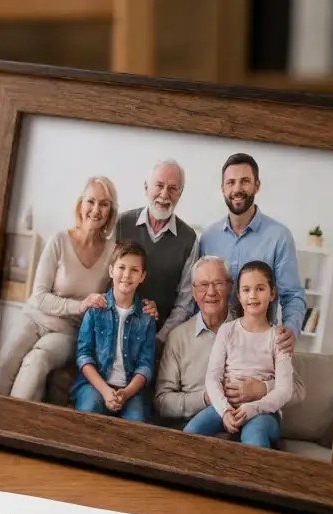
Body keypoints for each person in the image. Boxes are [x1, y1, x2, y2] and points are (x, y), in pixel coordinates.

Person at [0, 176, 119, 399]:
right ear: (80, 204)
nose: (96, 210)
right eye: (91, 201)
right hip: (35, 317)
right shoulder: (58, 240)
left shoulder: (111, 253)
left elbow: (113, 298)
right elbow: (38, 297)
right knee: (4, 363)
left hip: (67, 332)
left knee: (36, 360)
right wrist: (80, 305)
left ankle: (12, 422)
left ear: (110, 212)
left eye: (104, 204)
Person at [154, 256, 305, 428]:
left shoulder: (253, 328)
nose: (211, 292)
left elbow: (297, 390)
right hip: (199, 424)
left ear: (231, 289)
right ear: (194, 292)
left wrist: (262, 388)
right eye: (203, 285)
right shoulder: (177, 337)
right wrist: (206, 398)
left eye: (218, 283)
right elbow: (162, 402)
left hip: (251, 419)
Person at [174, 153, 302, 351]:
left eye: (245, 182)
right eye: (231, 182)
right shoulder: (208, 235)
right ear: (223, 188)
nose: (237, 189)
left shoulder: (279, 236)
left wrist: (290, 330)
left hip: (256, 344)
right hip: (211, 342)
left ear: (257, 185)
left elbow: (292, 295)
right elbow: (198, 289)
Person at [183, 260, 295, 449]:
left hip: (264, 412)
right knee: (189, 433)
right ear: (238, 295)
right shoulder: (227, 331)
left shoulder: (279, 337)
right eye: (246, 290)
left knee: (254, 435)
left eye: (260, 289)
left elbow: (285, 390)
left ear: (272, 293)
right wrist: (225, 410)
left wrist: (252, 408)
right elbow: (213, 377)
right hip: (226, 407)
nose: (252, 296)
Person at [113, 159, 200, 342]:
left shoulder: (189, 239)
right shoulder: (121, 224)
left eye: (172, 188)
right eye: (159, 185)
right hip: (112, 328)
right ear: (146, 188)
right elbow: (104, 279)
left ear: (180, 194)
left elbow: (185, 304)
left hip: (158, 335)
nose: (164, 194)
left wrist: (160, 340)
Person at [69, 240, 156, 422]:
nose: (126, 275)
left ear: (142, 276)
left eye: (134, 270)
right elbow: (84, 356)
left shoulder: (147, 317)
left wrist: (125, 393)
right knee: (89, 409)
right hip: (95, 385)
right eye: (121, 268)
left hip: (130, 389)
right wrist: (105, 391)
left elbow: (145, 365)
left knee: (137, 420)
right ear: (111, 271)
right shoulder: (95, 309)